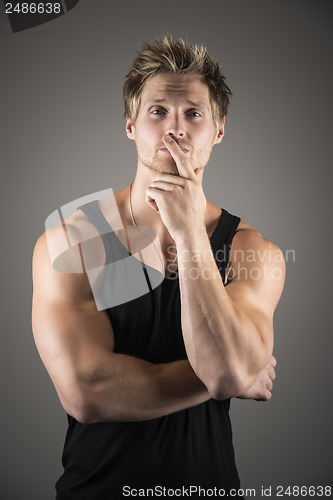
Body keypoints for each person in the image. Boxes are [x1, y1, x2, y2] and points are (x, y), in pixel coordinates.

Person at [32, 36, 285, 499]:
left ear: (219, 130)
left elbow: (229, 370)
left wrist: (190, 234)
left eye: (193, 113)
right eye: (157, 112)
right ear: (130, 125)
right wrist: (228, 375)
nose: (176, 129)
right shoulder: (72, 241)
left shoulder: (253, 249)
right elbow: (87, 392)